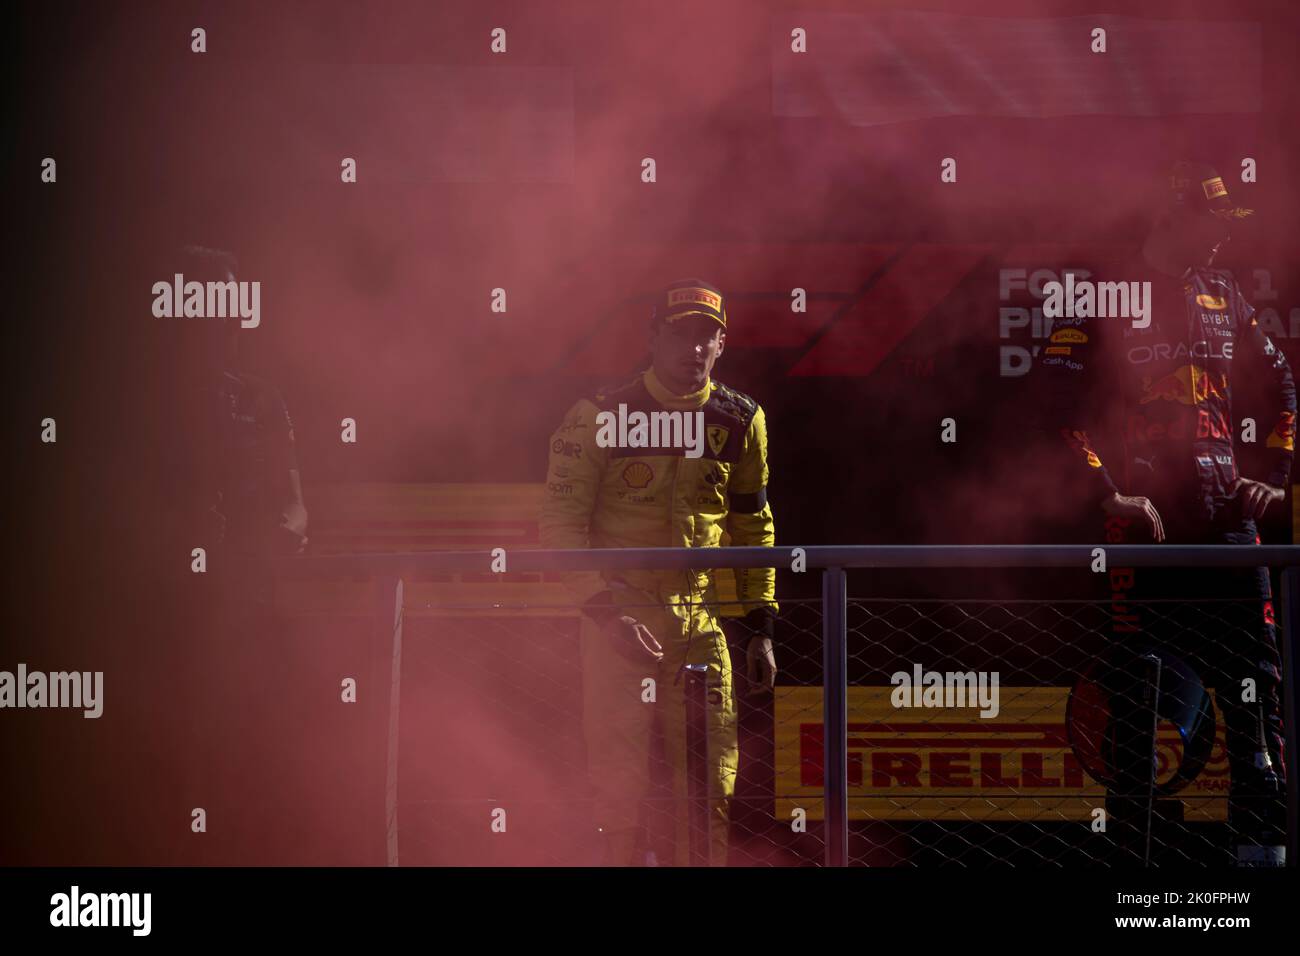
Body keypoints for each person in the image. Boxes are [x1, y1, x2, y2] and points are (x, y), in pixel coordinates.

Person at [1046, 162, 1292, 865]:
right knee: (1135, 697)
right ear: (1169, 219)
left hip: (1226, 522)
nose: (1219, 240)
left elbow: (1282, 381)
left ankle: (1263, 866)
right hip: (1143, 527)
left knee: (1257, 695)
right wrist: (1105, 488)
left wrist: (1274, 477)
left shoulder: (1224, 292)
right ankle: (1135, 877)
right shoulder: (1108, 293)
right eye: (1208, 225)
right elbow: (1055, 401)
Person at [539, 278, 778, 866]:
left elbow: (754, 525)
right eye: (680, 333)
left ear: (722, 344)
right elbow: (560, 528)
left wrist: (762, 623)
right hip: (619, 618)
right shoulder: (600, 414)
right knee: (617, 783)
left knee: (711, 778)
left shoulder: (741, 418)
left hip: (701, 619)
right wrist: (605, 611)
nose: (693, 347)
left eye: (707, 335)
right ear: (652, 337)